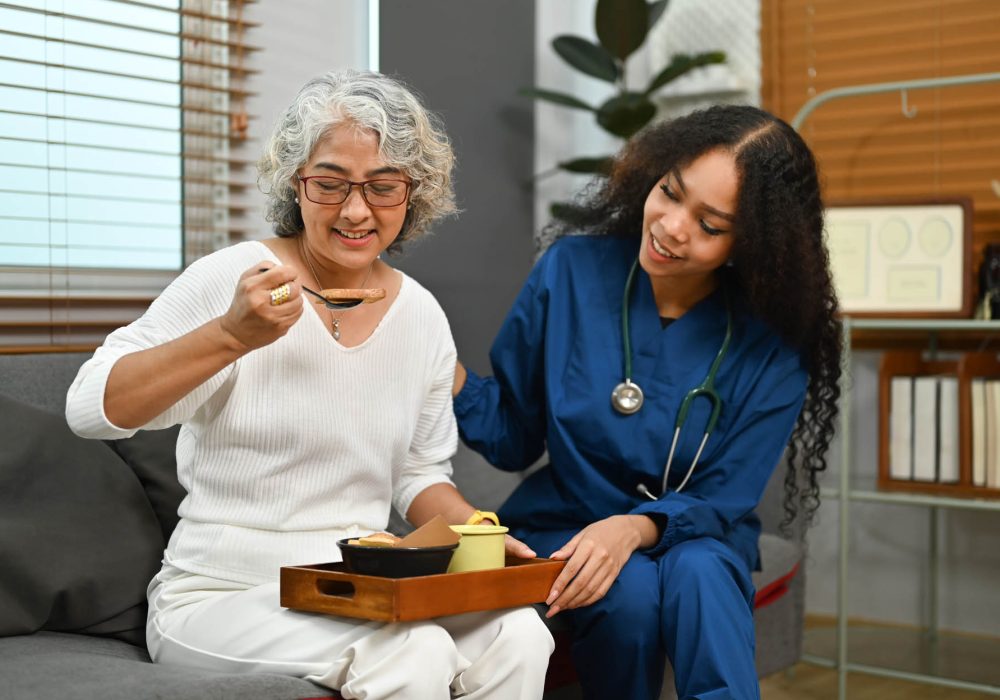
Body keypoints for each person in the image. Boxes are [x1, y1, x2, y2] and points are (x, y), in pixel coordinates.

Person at [65, 69, 553, 700]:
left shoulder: (423, 315)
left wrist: (477, 535)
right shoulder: (236, 278)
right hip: (219, 595)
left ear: (414, 193)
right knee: (412, 650)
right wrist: (232, 336)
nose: (356, 210)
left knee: (518, 632)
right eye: (330, 184)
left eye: (382, 186)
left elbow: (417, 473)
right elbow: (90, 409)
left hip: (352, 584)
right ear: (297, 185)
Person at [452, 104, 842, 700]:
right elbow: (513, 434)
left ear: (751, 244)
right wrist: (437, 369)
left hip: (698, 531)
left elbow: (725, 495)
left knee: (702, 571)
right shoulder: (570, 273)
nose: (671, 227)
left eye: (710, 225)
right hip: (568, 523)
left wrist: (637, 529)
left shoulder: (772, 340)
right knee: (625, 589)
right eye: (670, 193)